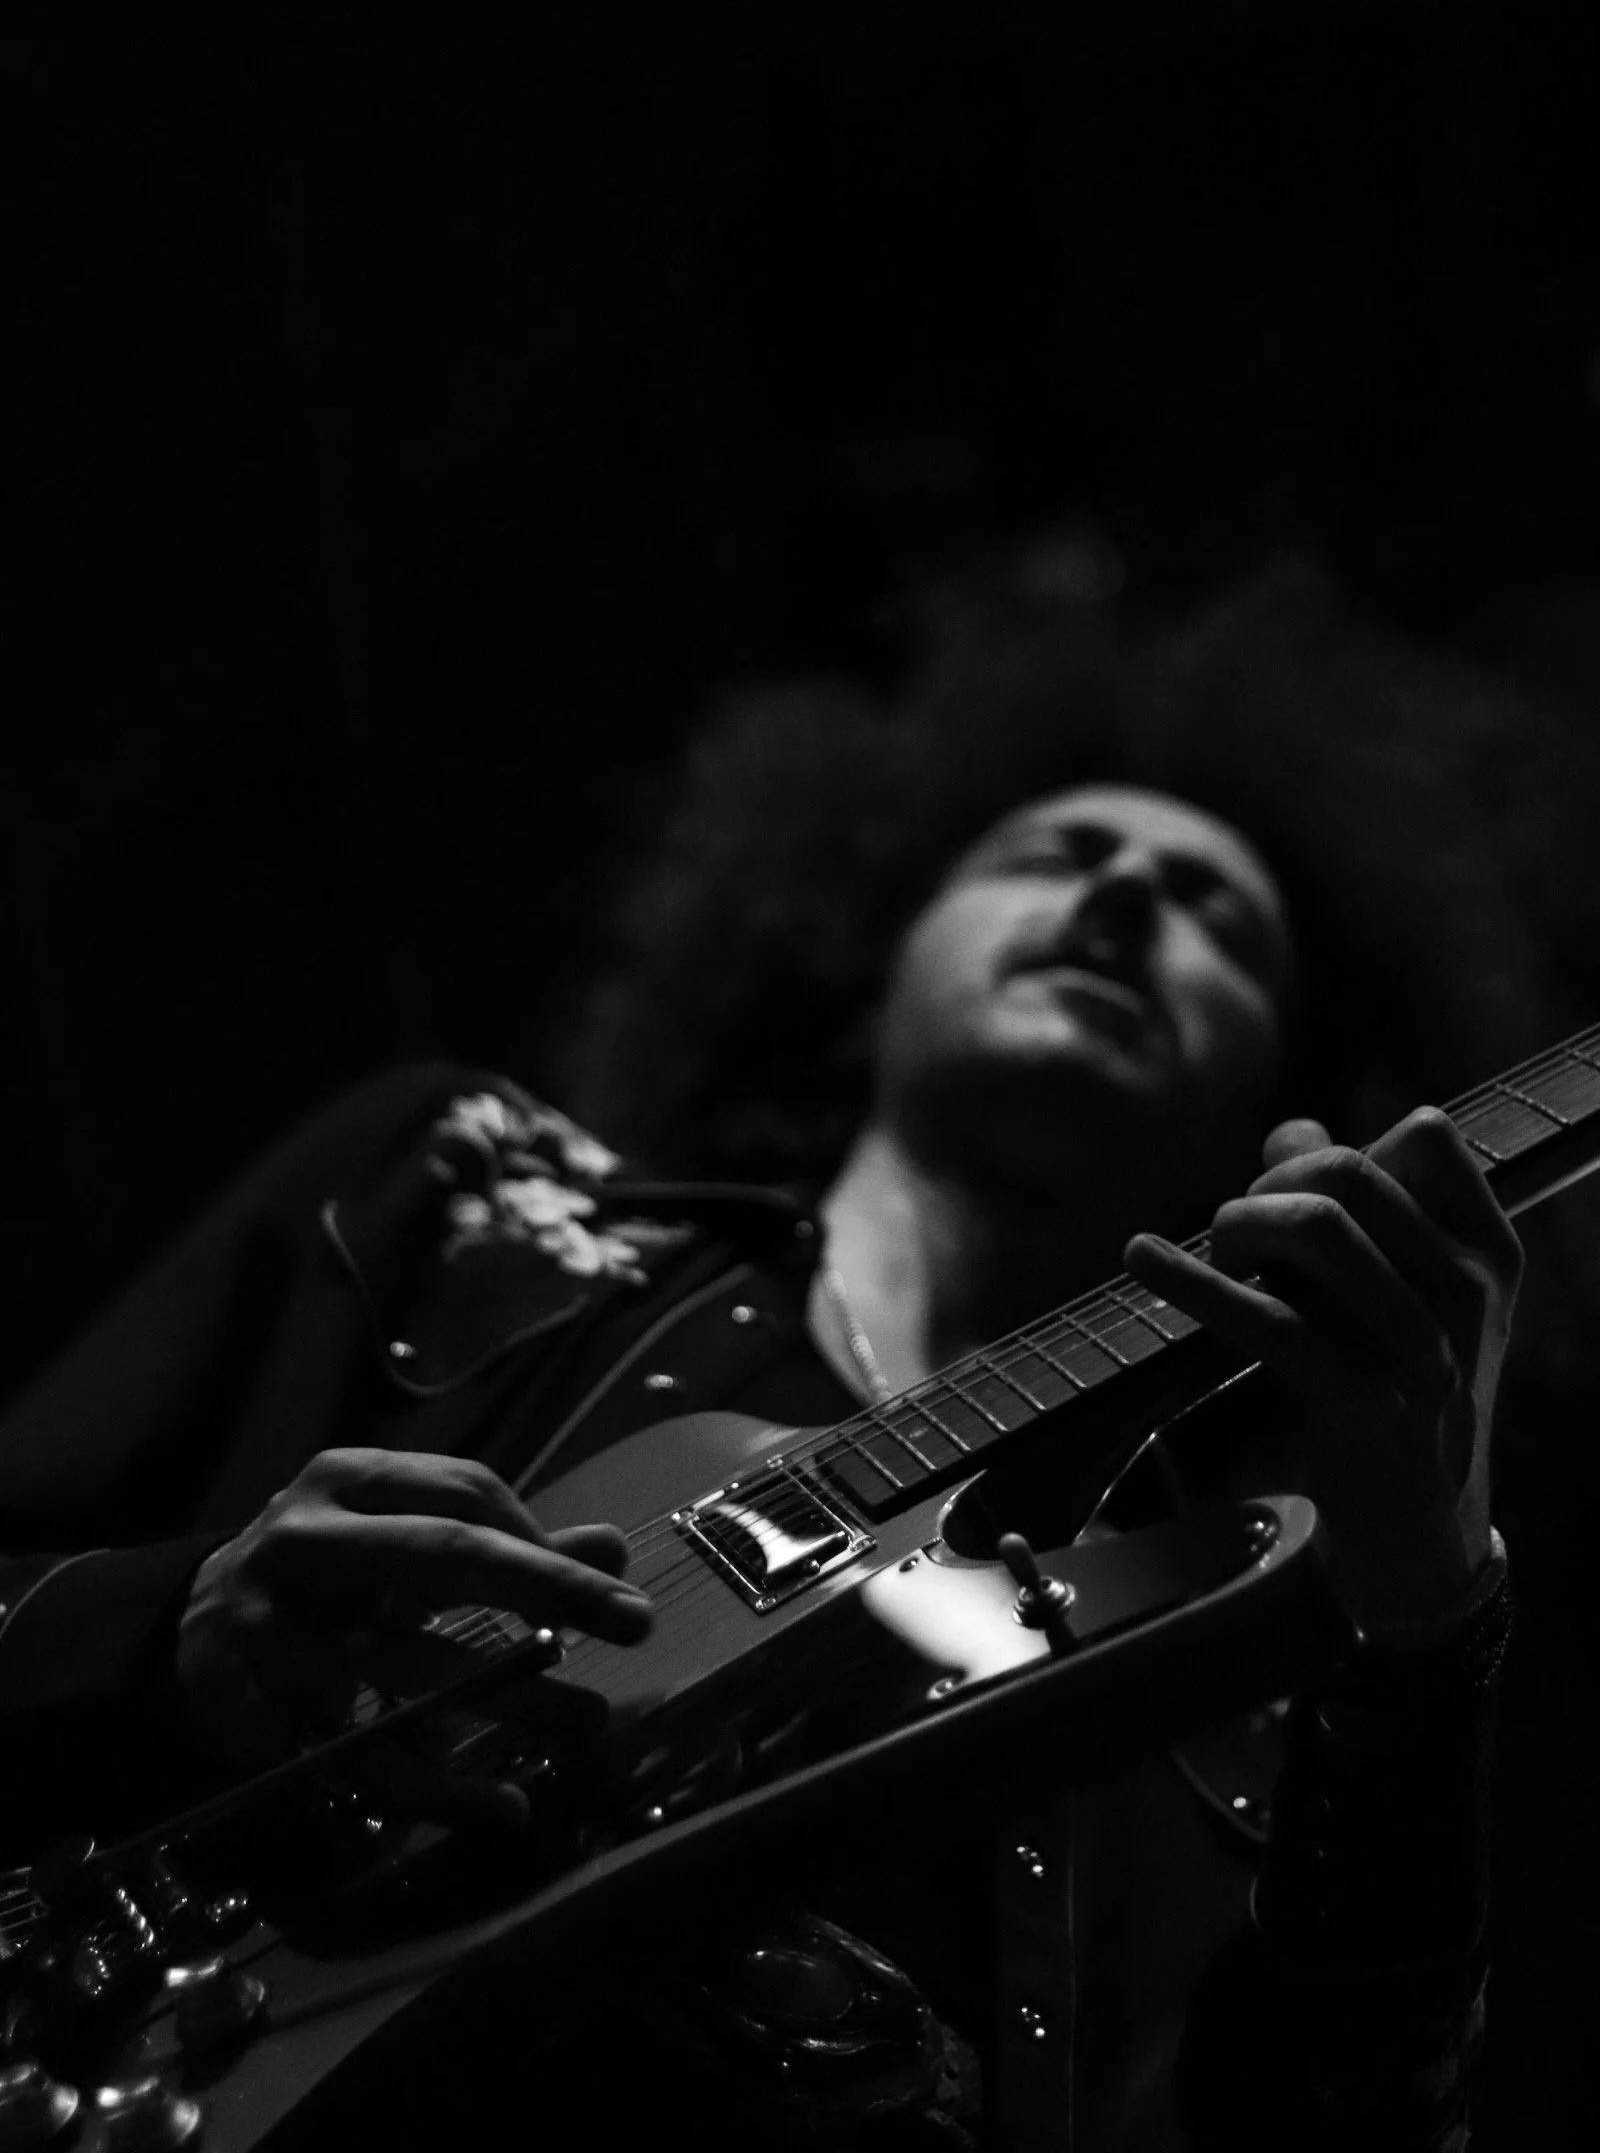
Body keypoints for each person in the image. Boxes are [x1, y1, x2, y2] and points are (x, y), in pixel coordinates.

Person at [0, 558, 1559, 2148]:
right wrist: (175, 1628)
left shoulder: (1237, 1661)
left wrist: (1434, 1624)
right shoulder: (457, 1198)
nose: (1128, 903)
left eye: (1218, 919)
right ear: (873, 959)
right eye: (1053, 855)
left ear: (1284, 1092)